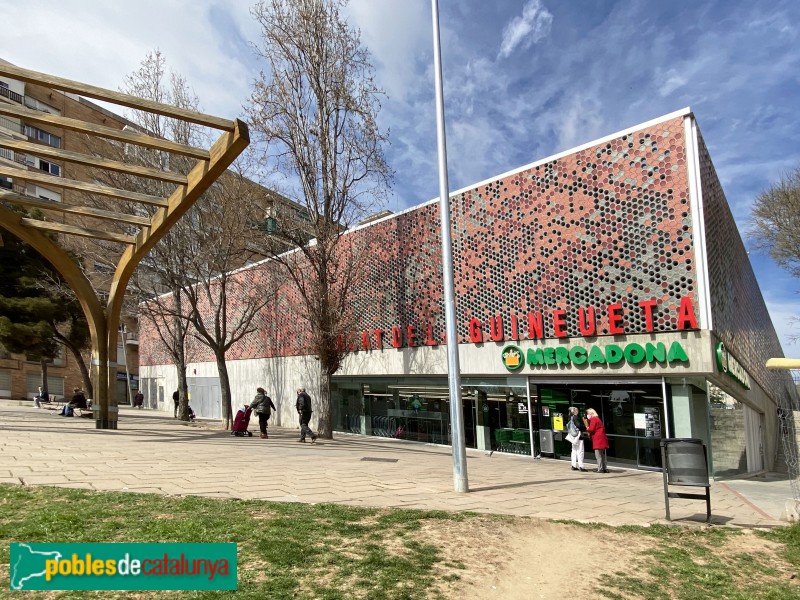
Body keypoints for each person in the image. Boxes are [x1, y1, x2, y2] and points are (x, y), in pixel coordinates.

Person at [584, 408, 610, 473]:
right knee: (601, 455)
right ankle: (604, 468)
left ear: (591, 413)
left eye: (588, 413)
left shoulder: (594, 419)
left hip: (598, 439)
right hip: (601, 439)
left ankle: (600, 468)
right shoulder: (597, 419)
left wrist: (587, 428)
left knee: (598, 455)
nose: (587, 415)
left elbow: (591, 429)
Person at [565, 406, 587, 472]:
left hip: (572, 436)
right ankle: (581, 466)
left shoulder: (570, 417)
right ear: (575, 411)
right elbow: (579, 425)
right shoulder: (576, 417)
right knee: (580, 451)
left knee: (574, 451)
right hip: (578, 436)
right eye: (577, 410)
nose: (578, 411)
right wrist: (584, 426)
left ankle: (573, 465)